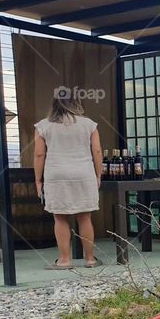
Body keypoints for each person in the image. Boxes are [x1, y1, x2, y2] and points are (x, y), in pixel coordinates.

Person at [34, 95, 103, 269]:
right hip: (83, 173)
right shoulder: (89, 124)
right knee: (85, 217)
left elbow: (39, 154)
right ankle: (90, 259)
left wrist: (37, 179)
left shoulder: (43, 125)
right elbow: (97, 151)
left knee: (60, 216)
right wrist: (98, 174)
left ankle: (64, 260)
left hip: (56, 174)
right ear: (76, 104)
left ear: (54, 105)